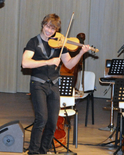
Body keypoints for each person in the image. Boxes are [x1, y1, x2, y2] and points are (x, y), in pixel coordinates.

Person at [22, 13, 90, 154]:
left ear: (56, 31)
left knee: (52, 123)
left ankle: (43, 151)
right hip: (38, 84)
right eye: (47, 26)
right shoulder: (33, 42)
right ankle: (33, 152)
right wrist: (48, 61)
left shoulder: (60, 44)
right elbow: (25, 63)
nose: (49, 31)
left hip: (53, 85)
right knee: (41, 120)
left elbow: (69, 64)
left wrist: (81, 53)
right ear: (43, 25)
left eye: (53, 29)